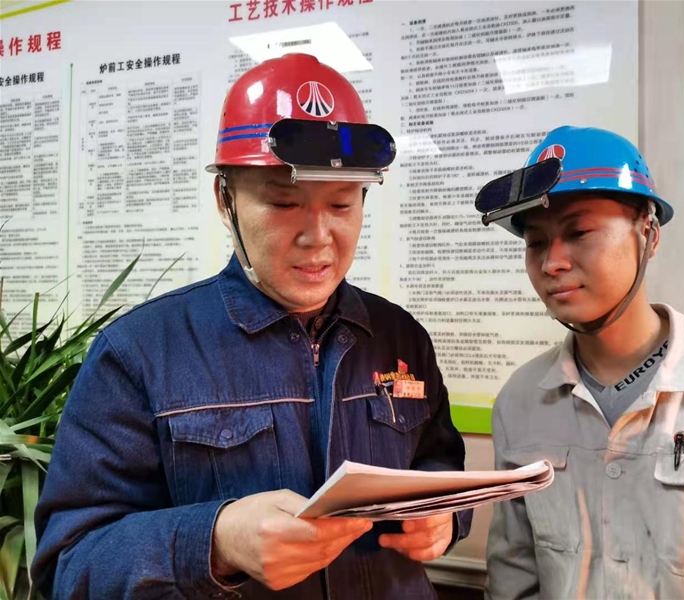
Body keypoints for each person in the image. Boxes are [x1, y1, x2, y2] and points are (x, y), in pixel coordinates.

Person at [33, 53, 471, 599]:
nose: (318, 236)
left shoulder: (400, 336)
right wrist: (215, 541)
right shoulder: (138, 353)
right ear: (226, 200)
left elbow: (438, 463)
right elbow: (69, 564)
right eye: (284, 203)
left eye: (341, 204)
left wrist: (447, 520)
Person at [476, 126, 684, 598]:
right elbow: (513, 582)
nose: (552, 263)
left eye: (579, 233)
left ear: (649, 234)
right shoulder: (520, 403)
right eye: (536, 243)